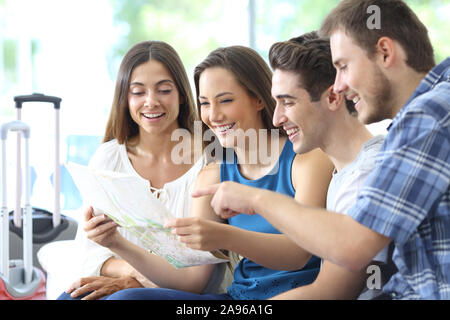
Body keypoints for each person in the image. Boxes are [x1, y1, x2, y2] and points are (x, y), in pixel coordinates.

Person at [193, 0, 450, 300]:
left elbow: (351, 248)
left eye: (342, 67)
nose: (338, 85)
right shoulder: (414, 123)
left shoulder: (429, 115)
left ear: (385, 52)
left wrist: (255, 199)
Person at [99, 45, 334, 300]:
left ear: (258, 98)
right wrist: (116, 243)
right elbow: (191, 281)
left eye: (225, 100)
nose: (213, 115)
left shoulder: (307, 159)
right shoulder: (213, 175)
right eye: (204, 103)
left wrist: (223, 235)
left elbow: (298, 253)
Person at [57, 40, 222, 300]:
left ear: (181, 94)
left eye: (164, 90)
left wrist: (133, 283)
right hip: (127, 285)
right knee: (70, 297)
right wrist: (132, 276)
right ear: (125, 99)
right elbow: (91, 256)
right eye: (138, 92)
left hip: (185, 294)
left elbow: (198, 274)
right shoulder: (109, 158)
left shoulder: (210, 158)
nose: (151, 102)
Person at [266, 31, 396, 299]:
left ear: (333, 98)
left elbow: (329, 294)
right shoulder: (345, 171)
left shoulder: (364, 176)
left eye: (287, 102)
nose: (277, 119)